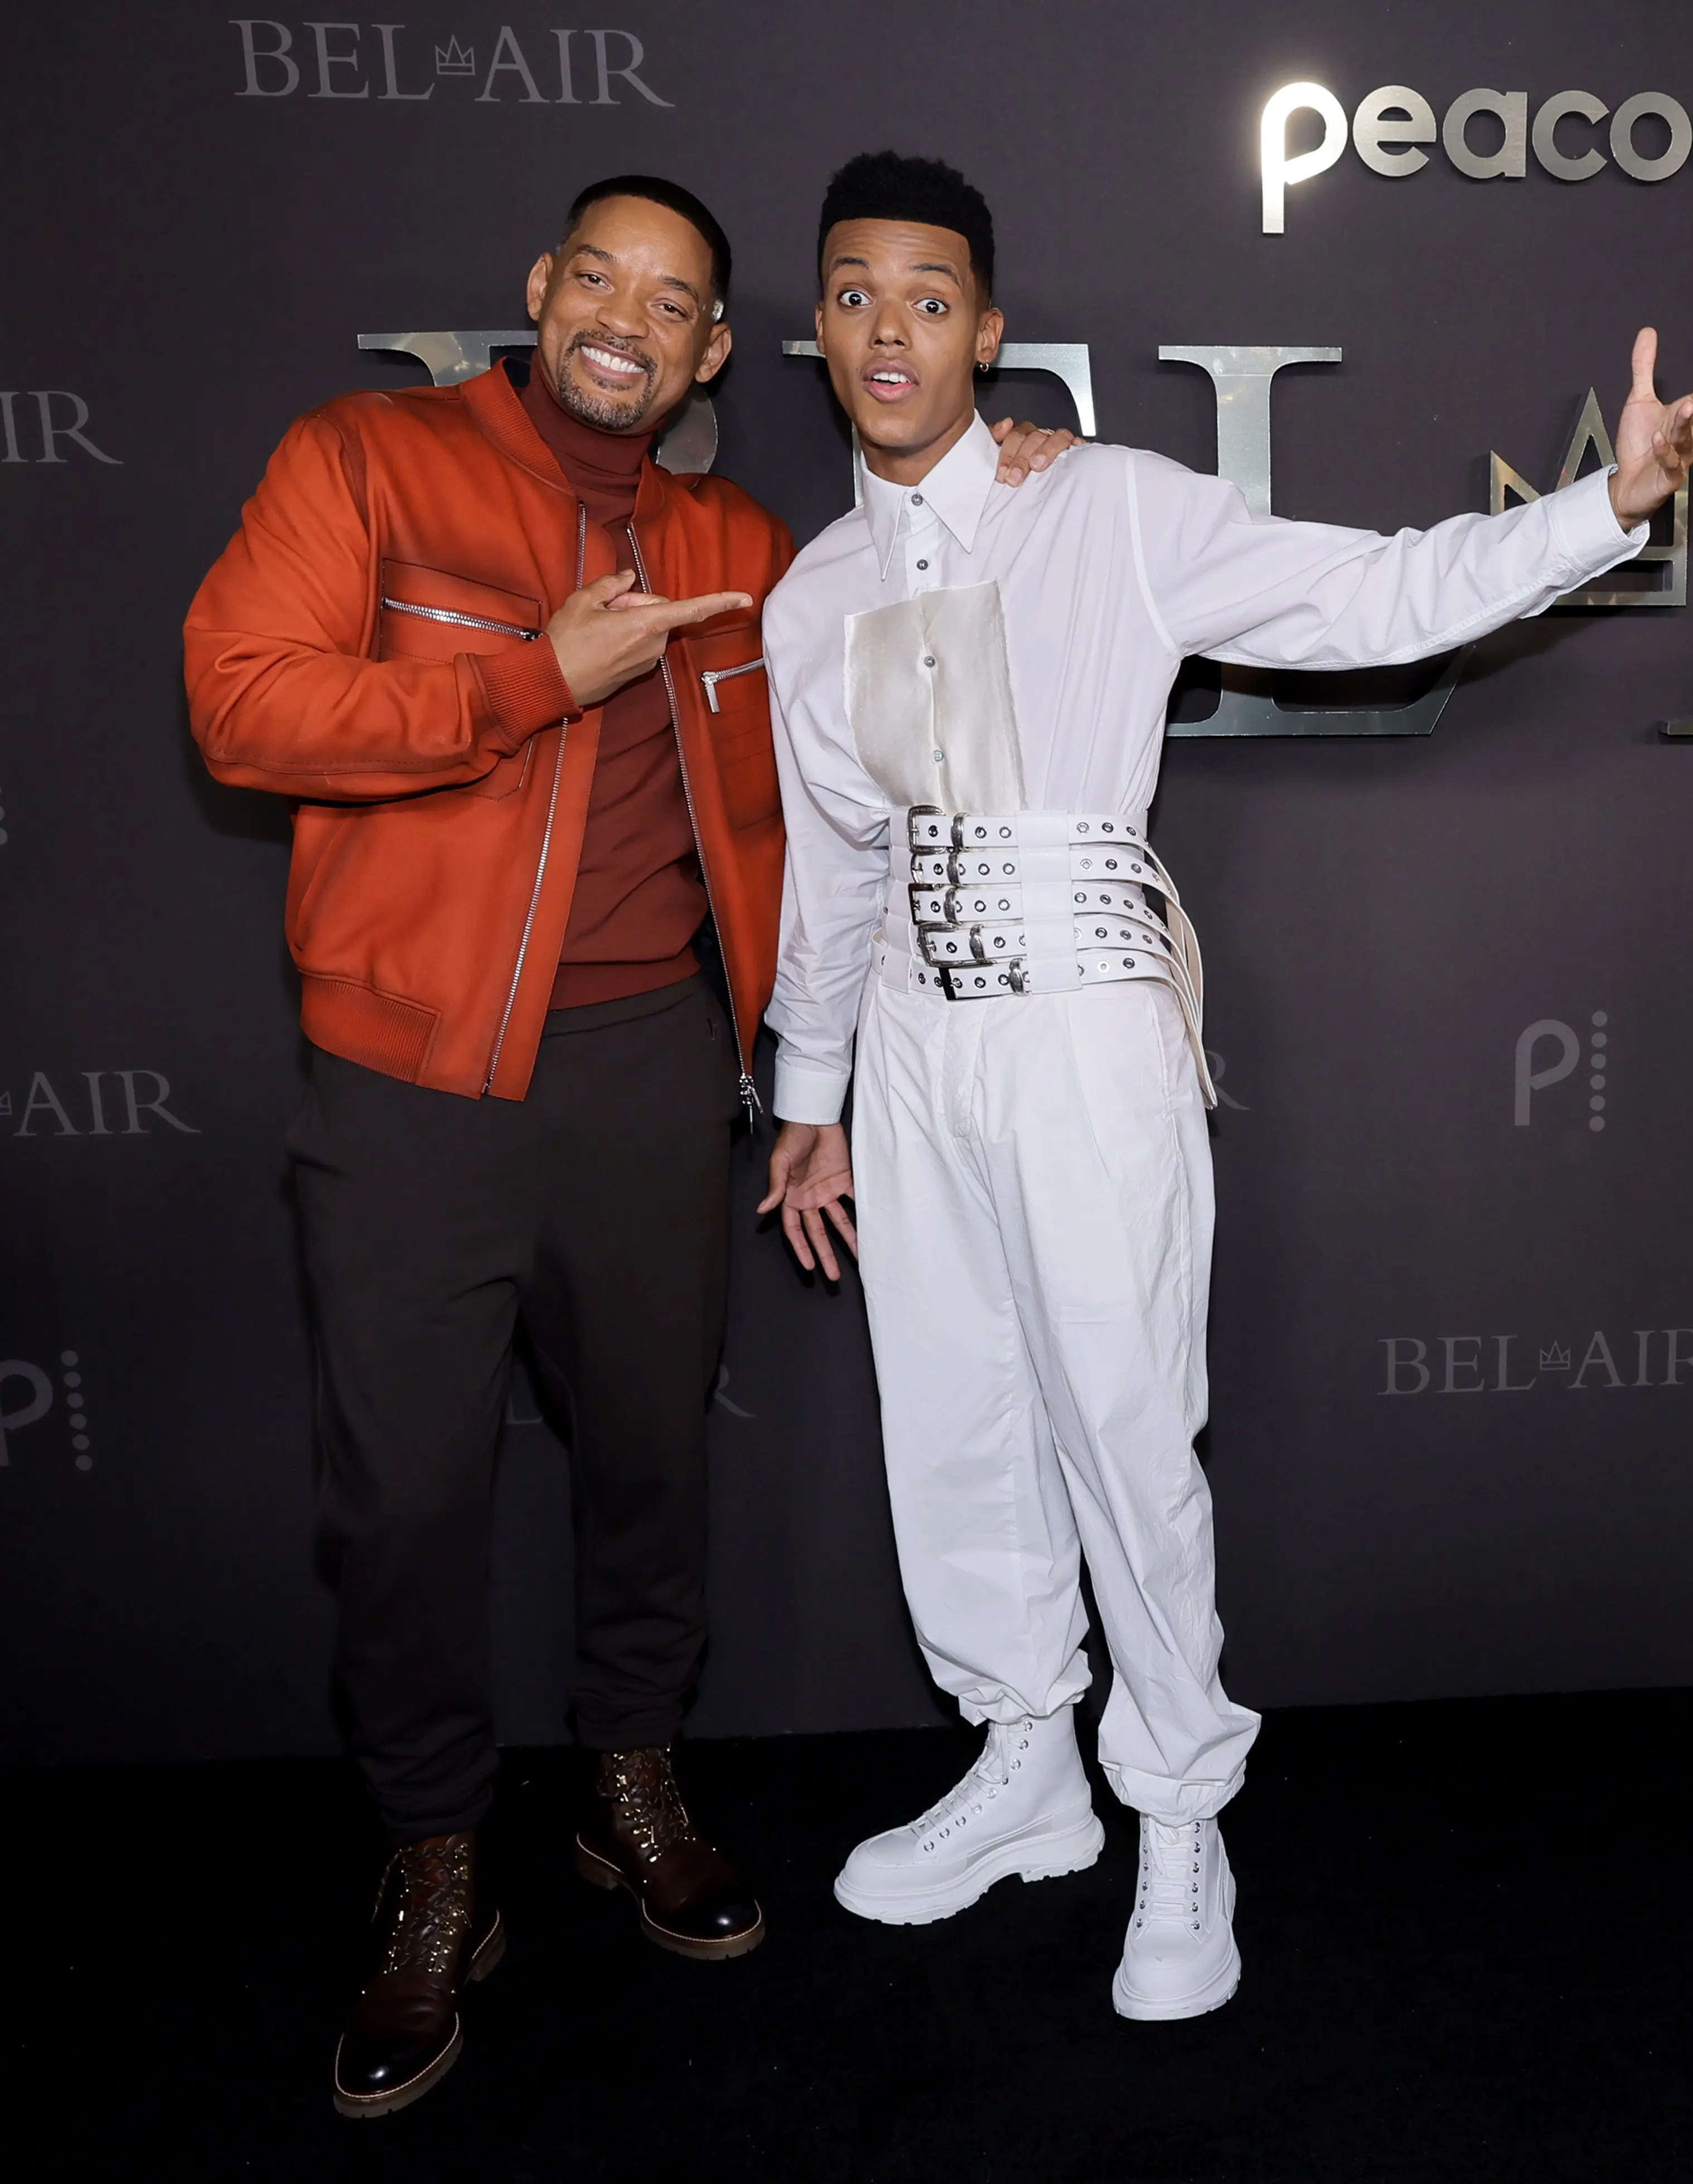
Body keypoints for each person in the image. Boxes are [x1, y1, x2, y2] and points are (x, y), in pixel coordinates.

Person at [755, 149, 1693, 2021]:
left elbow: (1372, 599)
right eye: (852, 293)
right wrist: (811, 1093)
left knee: (1128, 1425)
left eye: (928, 294)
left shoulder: (1108, 506)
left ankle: (1180, 1819)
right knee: (954, 1424)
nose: (889, 328)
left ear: (986, 326)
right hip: (911, 1042)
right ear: (815, 329)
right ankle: (1029, 1773)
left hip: (1084, 1018)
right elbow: (833, 867)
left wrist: (1603, 508)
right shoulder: (809, 600)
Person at [183, 173, 1074, 2118]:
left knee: (655, 1463)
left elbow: (892, 663)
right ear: (539, 291)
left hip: (652, 1074)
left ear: (708, 355)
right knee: (405, 1500)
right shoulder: (368, 457)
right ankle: (436, 1855)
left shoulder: (744, 538)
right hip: (412, 1081)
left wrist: (1028, 481)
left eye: (673, 304)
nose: (627, 320)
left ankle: (633, 1780)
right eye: (600, 279)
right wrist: (528, 681)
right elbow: (240, 705)